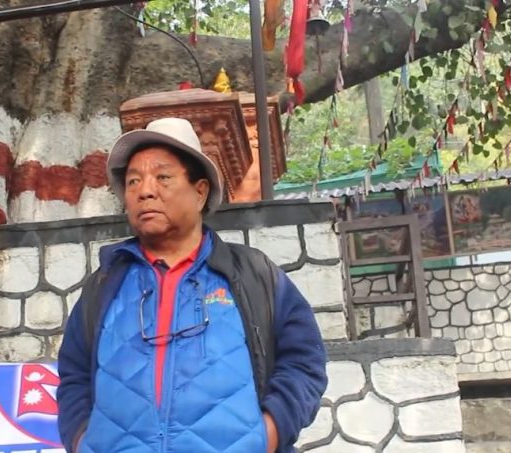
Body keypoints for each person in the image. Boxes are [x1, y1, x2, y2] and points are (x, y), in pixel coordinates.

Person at [56, 117, 327, 453]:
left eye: (163, 177)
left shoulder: (252, 274)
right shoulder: (105, 283)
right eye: (133, 181)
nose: (145, 191)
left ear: (200, 192)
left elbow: (305, 362)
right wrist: (82, 442)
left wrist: (268, 434)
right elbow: (74, 375)